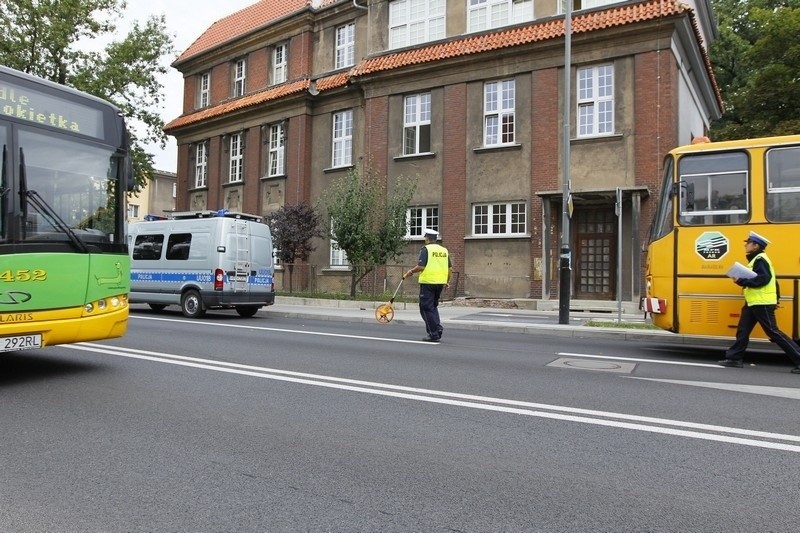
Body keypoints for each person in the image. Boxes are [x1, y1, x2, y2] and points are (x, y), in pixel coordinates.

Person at [718, 231, 800, 373]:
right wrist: (742, 281)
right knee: (743, 331)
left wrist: (742, 280)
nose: (745, 246)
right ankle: (734, 358)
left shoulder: (760, 259)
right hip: (753, 302)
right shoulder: (756, 259)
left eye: (748, 243)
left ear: (755, 246)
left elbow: (763, 279)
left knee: (774, 333)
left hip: (762, 303)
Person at [403, 229, 452, 342]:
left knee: (425, 308)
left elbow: (421, 266)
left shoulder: (426, 249)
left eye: (425, 237)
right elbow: (450, 269)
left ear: (427, 238)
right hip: (440, 283)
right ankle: (437, 329)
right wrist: (447, 281)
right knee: (433, 307)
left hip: (428, 283)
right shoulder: (444, 250)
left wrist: (410, 272)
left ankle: (433, 333)